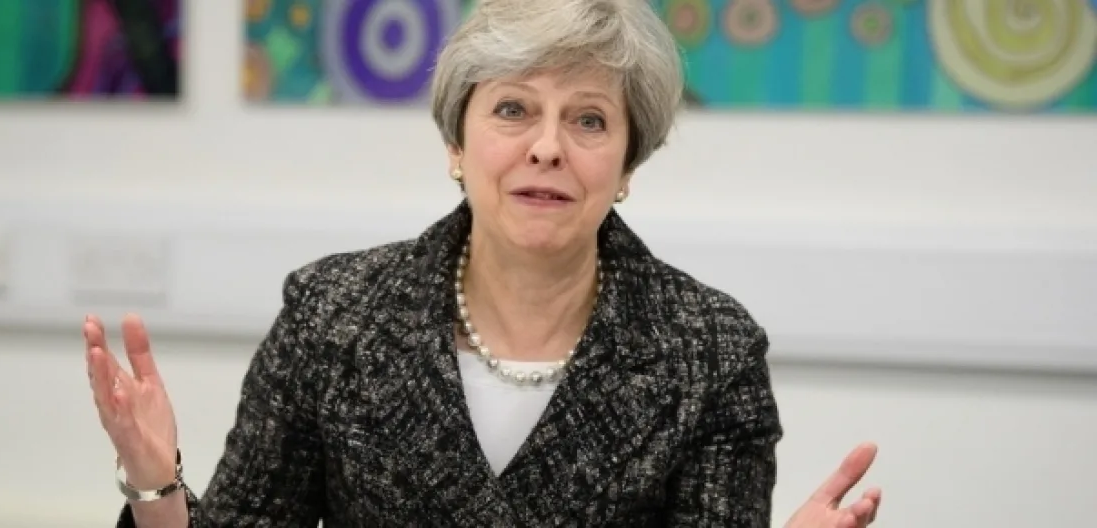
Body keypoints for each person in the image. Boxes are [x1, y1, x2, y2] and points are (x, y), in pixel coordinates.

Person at [84, 0, 883, 526]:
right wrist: (155, 484)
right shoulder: (333, 314)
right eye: (513, 109)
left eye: (589, 120)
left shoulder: (710, 350)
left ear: (627, 164)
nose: (547, 147)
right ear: (457, 145)